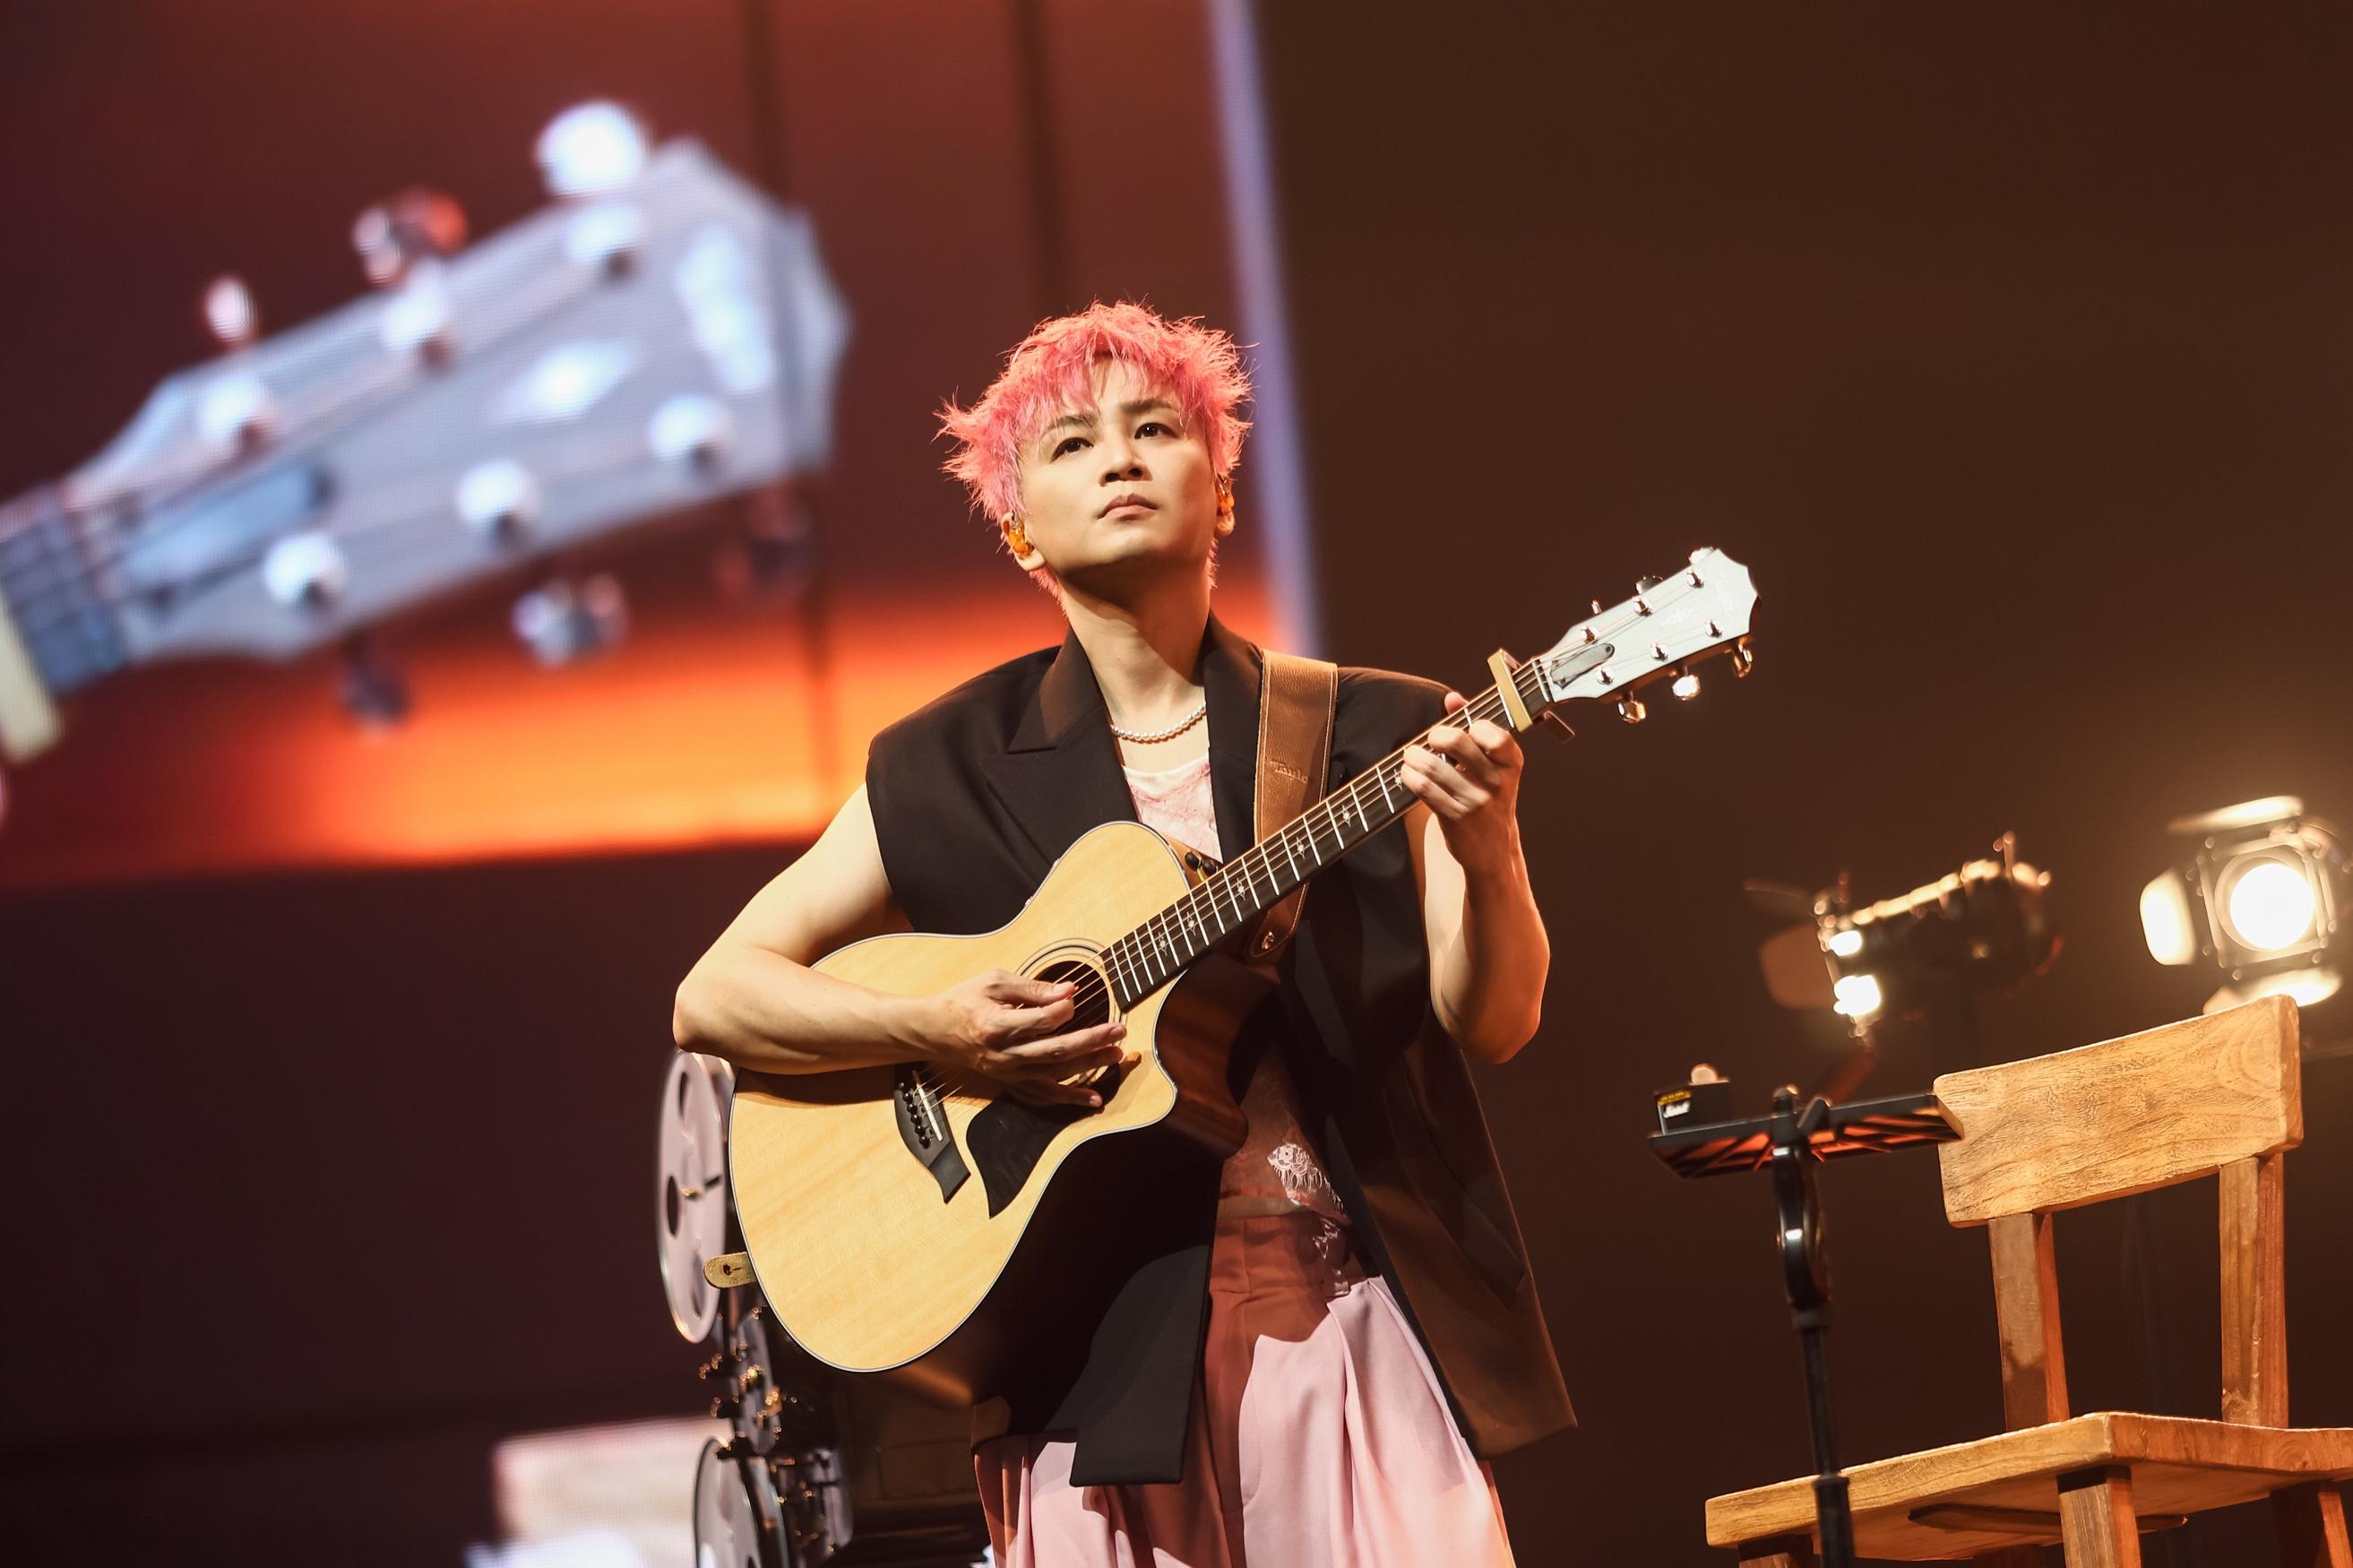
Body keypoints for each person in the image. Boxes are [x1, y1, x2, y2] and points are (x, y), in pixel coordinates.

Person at [673, 302, 1573, 1566]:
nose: (1120, 458)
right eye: (1071, 443)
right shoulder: (941, 764)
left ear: (1222, 494)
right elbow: (714, 993)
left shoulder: (1374, 729)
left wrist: (1489, 851)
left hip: (1353, 1319)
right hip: (1088, 1360)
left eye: (1156, 429)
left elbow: (1498, 1019)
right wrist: (937, 1028)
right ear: (1017, 528)